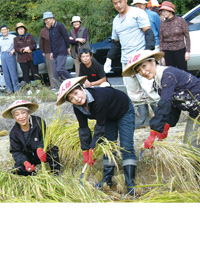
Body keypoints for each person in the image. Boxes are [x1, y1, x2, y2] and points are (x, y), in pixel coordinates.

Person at [56, 76, 137, 195]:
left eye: (76, 93)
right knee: (108, 146)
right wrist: (85, 150)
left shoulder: (99, 99)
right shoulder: (78, 108)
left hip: (123, 110)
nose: (77, 98)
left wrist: (93, 148)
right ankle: (107, 180)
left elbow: (99, 128)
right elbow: (83, 128)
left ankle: (130, 182)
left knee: (126, 146)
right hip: (108, 116)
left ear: (82, 88)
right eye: (71, 98)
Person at [122, 49, 200, 149]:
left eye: (144, 66)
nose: (143, 72)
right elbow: (174, 105)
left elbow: (164, 104)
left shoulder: (168, 75)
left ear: (153, 61)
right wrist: (165, 126)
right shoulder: (157, 85)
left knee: (191, 147)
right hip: (196, 113)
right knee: (190, 147)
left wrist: (153, 132)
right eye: (139, 71)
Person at [104, 0, 156, 129]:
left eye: (120, 2)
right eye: (115, 3)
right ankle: (144, 119)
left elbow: (148, 32)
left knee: (149, 87)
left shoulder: (137, 13)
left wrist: (148, 53)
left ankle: (160, 117)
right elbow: (116, 42)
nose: (118, 5)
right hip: (126, 60)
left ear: (126, 0)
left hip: (140, 58)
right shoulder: (116, 20)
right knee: (133, 91)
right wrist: (109, 58)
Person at [2, 100, 60, 176]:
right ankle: (32, 173)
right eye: (17, 115)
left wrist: (40, 148)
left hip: (41, 153)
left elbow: (46, 136)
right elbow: (16, 151)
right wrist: (25, 162)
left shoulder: (38, 122)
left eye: (23, 113)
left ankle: (55, 172)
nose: (21, 117)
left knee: (53, 150)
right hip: (28, 157)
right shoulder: (14, 132)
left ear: (28, 113)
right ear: (14, 117)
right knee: (17, 169)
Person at [42, 11, 72, 87]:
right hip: (54, 52)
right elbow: (51, 41)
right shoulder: (50, 29)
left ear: (52, 18)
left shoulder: (59, 25)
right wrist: (51, 52)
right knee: (55, 72)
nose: (46, 22)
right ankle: (60, 88)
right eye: (45, 20)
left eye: (47, 20)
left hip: (62, 50)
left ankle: (72, 80)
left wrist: (68, 47)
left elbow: (66, 36)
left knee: (60, 69)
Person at [159, 1, 190, 71]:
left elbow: (187, 36)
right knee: (171, 72)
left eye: (165, 11)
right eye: (162, 11)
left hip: (180, 50)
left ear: (170, 11)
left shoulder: (181, 21)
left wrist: (187, 51)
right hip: (167, 51)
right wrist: (162, 56)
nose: (163, 13)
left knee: (183, 71)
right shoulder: (162, 24)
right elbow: (161, 40)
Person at [0, 25, 20, 93]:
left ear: (8, 30)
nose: (4, 31)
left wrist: (13, 50)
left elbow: (18, 45)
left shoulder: (13, 37)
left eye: (5, 29)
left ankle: (17, 90)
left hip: (10, 54)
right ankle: (9, 90)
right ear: (1, 31)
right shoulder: (0, 39)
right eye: (2, 30)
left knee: (13, 73)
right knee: (6, 74)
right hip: (3, 55)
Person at [39, 23, 57, 90]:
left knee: (58, 68)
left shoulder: (56, 29)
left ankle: (60, 83)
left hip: (57, 52)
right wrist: (43, 52)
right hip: (48, 52)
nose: (48, 23)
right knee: (51, 69)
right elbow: (41, 42)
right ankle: (53, 85)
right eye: (46, 22)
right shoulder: (43, 31)